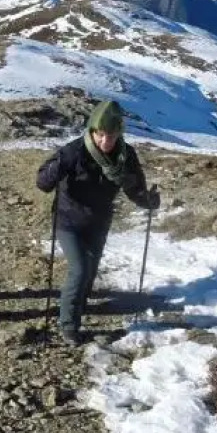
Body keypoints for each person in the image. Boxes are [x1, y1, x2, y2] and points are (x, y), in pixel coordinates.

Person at [36, 99, 159, 345]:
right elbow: (43, 182)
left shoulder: (126, 156)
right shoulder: (73, 152)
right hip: (68, 221)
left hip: (99, 221)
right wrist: (56, 170)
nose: (105, 142)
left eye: (111, 136)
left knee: (91, 270)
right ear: (92, 131)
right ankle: (69, 324)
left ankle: (79, 305)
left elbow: (134, 188)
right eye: (101, 135)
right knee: (80, 269)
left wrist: (148, 201)